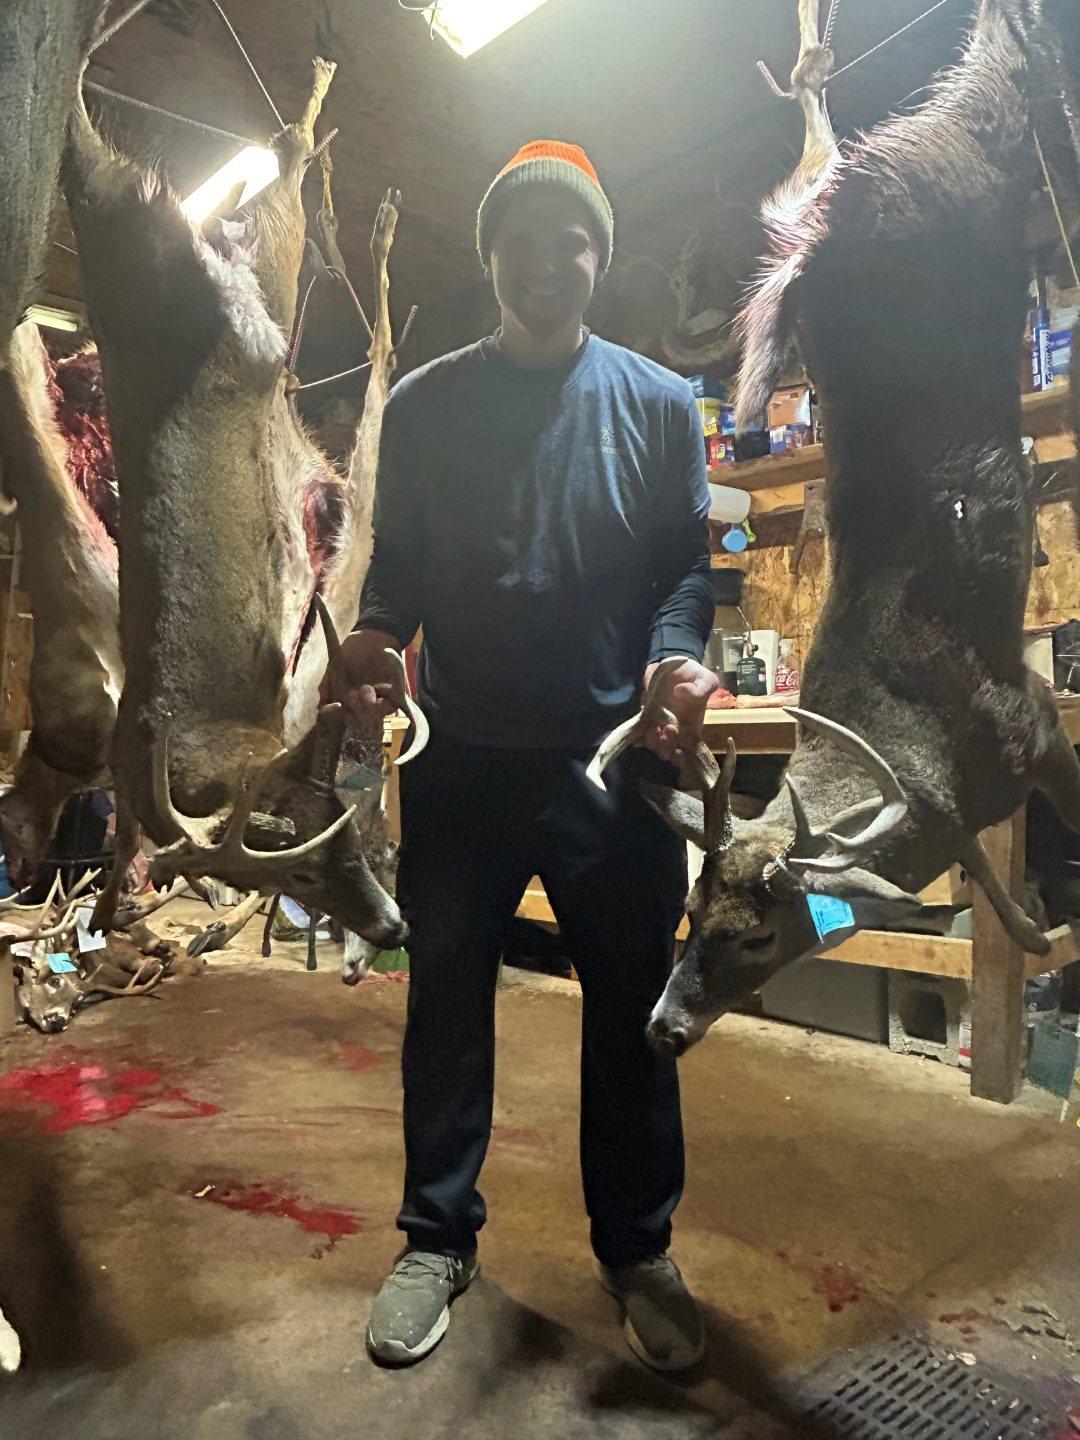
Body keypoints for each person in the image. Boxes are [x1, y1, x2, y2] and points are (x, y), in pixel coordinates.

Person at [329, 140, 719, 1370]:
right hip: (461, 760)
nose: (546, 262)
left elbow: (685, 572)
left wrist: (674, 658)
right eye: (522, 242)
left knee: (633, 1016)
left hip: (614, 765)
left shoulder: (660, 404)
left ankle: (637, 1248)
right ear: (491, 256)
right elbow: (397, 567)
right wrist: (375, 633)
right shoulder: (424, 405)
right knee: (446, 1005)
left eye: (573, 241)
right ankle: (436, 1239)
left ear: (601, 257)